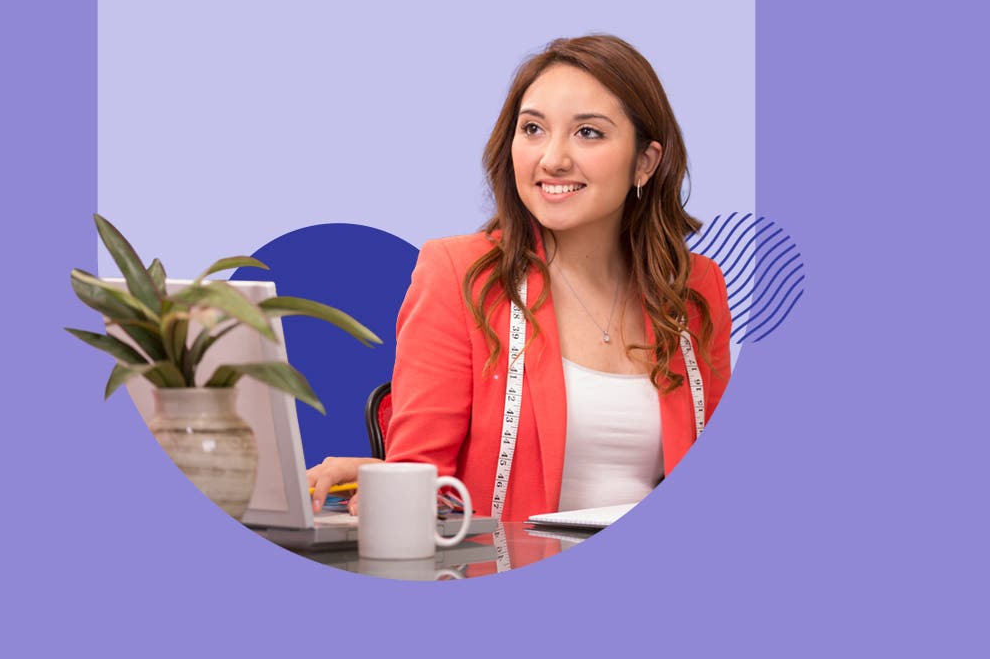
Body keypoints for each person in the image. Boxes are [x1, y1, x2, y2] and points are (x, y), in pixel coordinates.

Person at [307, 34, 732, 522]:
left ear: (645, 162)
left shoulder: (695, 288)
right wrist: (393, 479)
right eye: (533, 129)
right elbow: (422, 478)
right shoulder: (459, 276)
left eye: (588, 133)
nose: (552, 158)